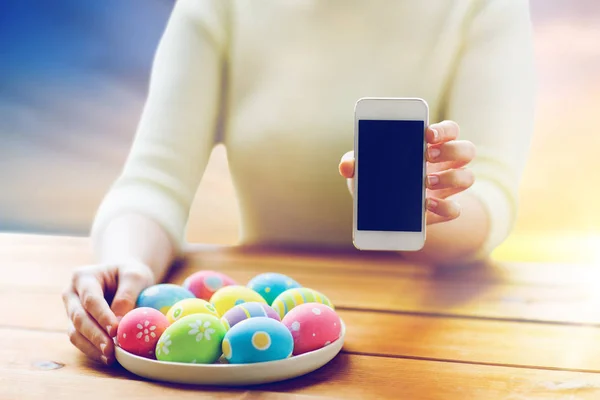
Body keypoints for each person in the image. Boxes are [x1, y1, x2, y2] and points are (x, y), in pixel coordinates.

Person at [62, 0, 535, 365]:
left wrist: (416, 211)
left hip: (431, 335)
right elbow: (154, 179)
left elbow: (490, 197)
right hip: (262, 347)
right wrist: (126, 261)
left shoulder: (481, 7)